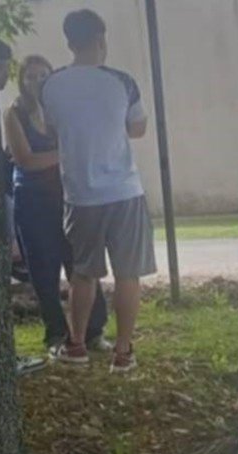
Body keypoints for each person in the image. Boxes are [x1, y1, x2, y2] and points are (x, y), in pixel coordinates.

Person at [42, 10, 157, 371]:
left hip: (80, 194)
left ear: (69, 41)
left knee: (83, 273)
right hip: (124, 191)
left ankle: (76, 345)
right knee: (127, 274)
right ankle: (123, 353)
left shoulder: (52, 85)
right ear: (101, 39)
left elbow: (51, 129)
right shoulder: (122, 82)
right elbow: (138, 128)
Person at [4, 55, 112, 356]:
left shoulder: (63, 110)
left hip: (69, 198)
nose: (37, 81)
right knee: (43, 271)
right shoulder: (14, 113)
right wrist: (66, 153)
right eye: (30, 76)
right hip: (32, 202)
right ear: (22, 81)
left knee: (81, 264)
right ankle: (56, 336)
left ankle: (93, 332)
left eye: (43, 75)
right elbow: (26, 160)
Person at [0, 41, 47, 376]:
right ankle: (3, 356)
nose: (5, 74)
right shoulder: (3, 110)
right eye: (2, 66)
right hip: (0, 202)